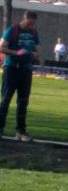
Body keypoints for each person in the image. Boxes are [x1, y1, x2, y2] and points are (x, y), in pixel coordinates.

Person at [0, 9, 39, 141]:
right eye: (29, 22)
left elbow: (38, 50)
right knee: (5, 99)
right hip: (12, 68)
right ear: (25, 18)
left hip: (26, 69)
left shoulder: (33, 33)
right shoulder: (13, 30)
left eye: (33, 23)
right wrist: (15, 52)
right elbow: (2, 47)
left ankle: (21, 131)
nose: (31, 25)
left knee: (23, 101)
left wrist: (34, 54)